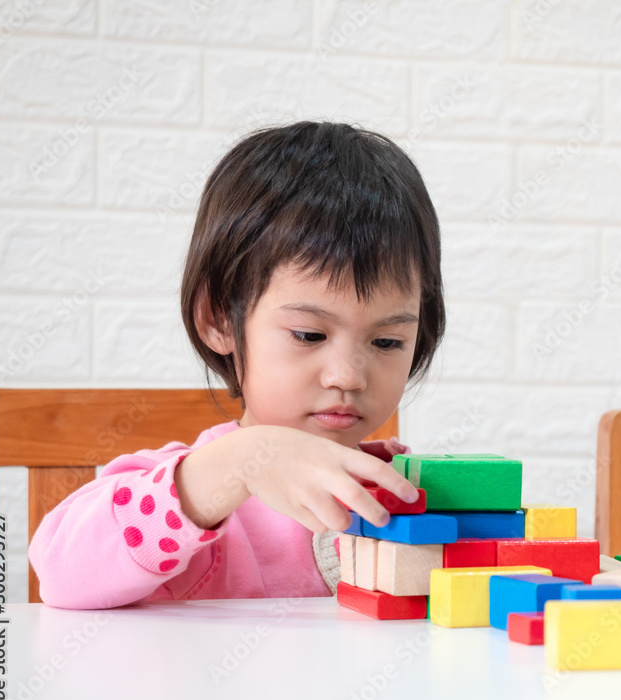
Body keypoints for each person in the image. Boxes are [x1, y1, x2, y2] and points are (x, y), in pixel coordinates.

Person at [29, 122, 446, 609]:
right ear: (219, 319)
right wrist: (236, 465)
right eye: (309, 335)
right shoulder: (195, 490)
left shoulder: (409, 490)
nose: (348, 376)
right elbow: (59, 571)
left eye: (387, 341)